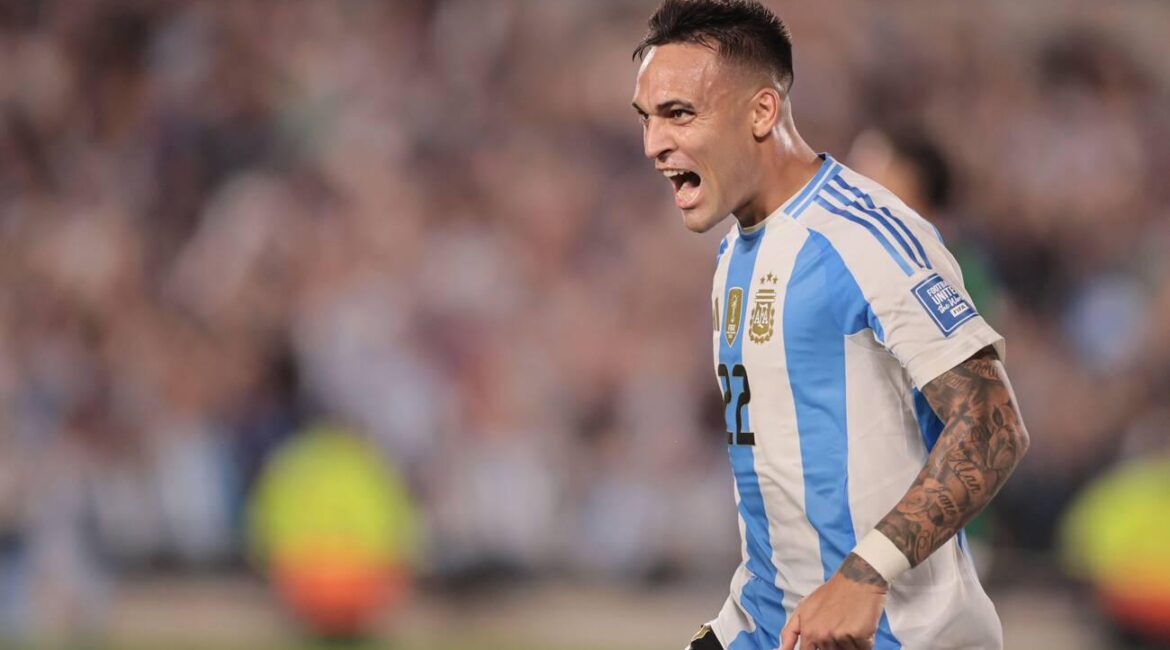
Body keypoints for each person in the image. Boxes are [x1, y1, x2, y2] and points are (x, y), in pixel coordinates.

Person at [629, 2, 1031, 649]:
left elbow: (993, 425)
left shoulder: (864, 234)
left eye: (679, 113)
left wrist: (865, 574)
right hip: (776, 626)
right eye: (646, 119)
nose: (654, 144)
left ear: (761, 111)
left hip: (904, 634)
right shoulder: (735, 254)